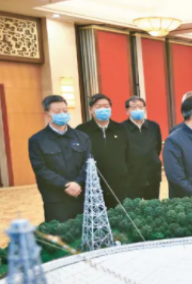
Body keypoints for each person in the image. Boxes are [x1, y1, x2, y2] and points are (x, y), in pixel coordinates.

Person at [28, 95, 92, 223]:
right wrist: (65, 184)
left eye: (65, 110)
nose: (62, 114)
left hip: (81, 195)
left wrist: (78, 183)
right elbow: (40, 169)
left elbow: (89, 163)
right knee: (59, 232)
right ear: (47, 115)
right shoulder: (37, 140)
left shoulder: (81, 137)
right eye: (57, 111)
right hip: (55, 198)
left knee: (84, 231)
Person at [77, 93, 130, 209]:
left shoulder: (121, 129)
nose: (103, 109)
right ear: (91, 109)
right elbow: (77, 159)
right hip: (93, 185)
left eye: (106, 106)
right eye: (98, 106)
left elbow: (129, 155)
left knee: (118, 215)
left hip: (119, 184)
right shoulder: (81, 131)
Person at [121, 96, 162, 200]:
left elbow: (157, 148)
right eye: (134, 107)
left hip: (152, 175)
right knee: (132, 207)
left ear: (145, 108)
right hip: (131, 178)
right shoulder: (121, 128)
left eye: (140, 106)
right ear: (127, 111)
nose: (137, 109)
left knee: (153, 206)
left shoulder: (154, 126)